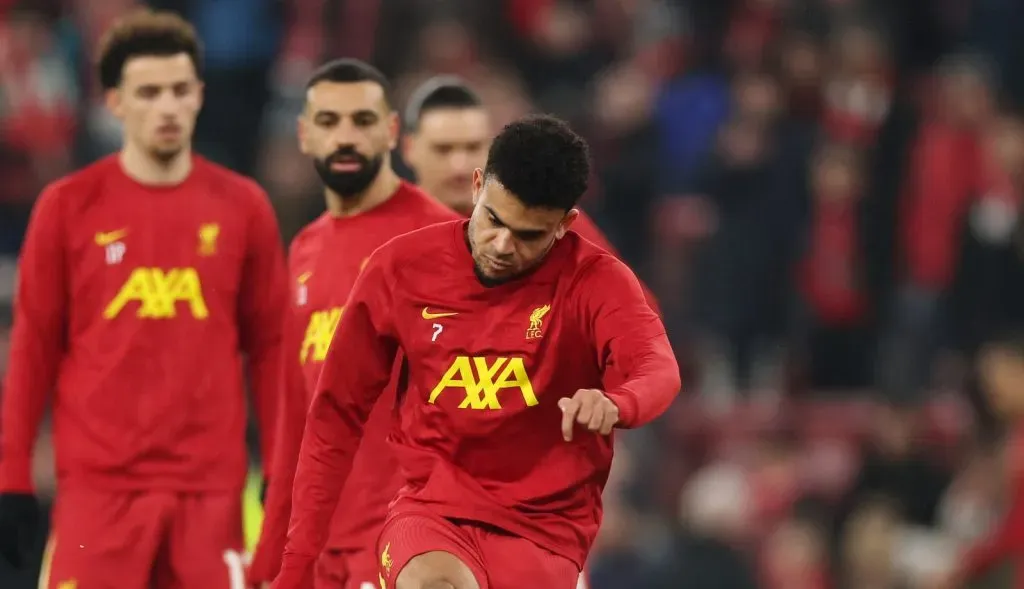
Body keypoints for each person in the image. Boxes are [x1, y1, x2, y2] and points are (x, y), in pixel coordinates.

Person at [274, 114, 681, 589]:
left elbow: (658, 366)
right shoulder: (400, 268)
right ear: (476, 187)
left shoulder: (598, 282)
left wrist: (618, 402)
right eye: (493, 219)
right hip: (431, 510)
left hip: (546, 530)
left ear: (566, 224)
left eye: (529, 235)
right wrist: (295, 565)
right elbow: (333, 415)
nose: (503, 245)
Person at [0, 10, 288, 588]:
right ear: (115, 102)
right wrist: (12, 477)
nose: (167, 107)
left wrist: (281, 472)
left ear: (200, 95)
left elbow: (273, 353)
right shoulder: (67, 207)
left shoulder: (243, 207)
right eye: (149, 92)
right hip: (98, 490)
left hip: (209, 491)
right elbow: (32, 349)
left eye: (180, 90)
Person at [247, 59, 460, 589]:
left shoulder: (440, 240)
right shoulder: (305, 249)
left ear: (391, 131)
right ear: (304, 135)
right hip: (321, 551)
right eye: (329, 122)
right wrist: (267, 561)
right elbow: (296, 420)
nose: (346, 137)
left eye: (362, 121)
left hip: (401, 544)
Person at [402, 76, 660, 314]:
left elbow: (637, 313)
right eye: (443, 150)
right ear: (410, 150)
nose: (458, 165)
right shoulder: (387, 237)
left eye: (473, 147)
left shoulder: (550, 223)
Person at [936, 331, 1024, 589]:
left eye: (997, 375)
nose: (990, 388)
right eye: (985, 380)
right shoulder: (1014, 432)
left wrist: (969, 563)